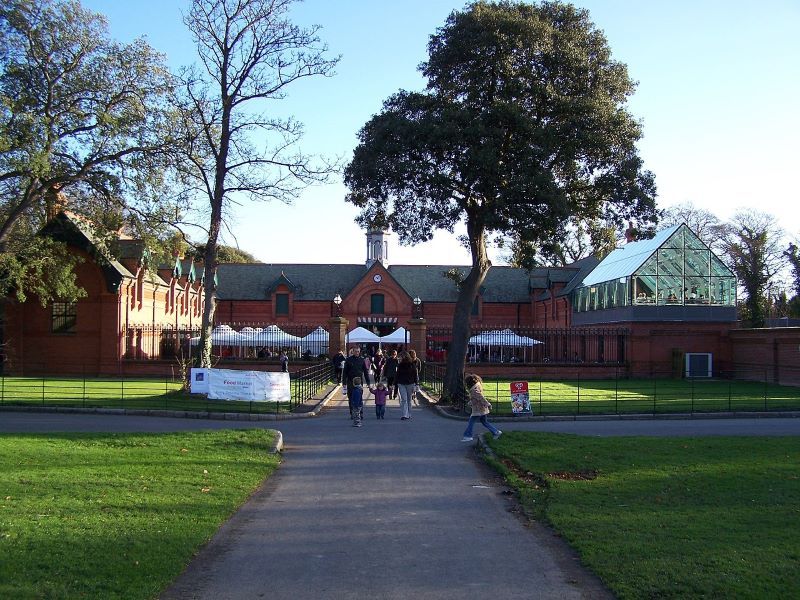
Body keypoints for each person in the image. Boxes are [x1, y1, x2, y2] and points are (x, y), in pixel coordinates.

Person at [462, 373, 502, 442]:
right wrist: (470, 403)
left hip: (478, 409)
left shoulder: (474, 390)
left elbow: (480, 397)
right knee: (484, 422)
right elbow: (476, 399)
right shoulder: (478, 386)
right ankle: (496, 432)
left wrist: (488, 404)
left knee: (471, 422)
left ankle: (468, 436)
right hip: (482, 409)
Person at [343, 347, 369, 419]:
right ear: (353, 352)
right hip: (350, 381)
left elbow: (365, 372)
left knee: (359, 398)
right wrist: (344, 383)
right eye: (355, 351)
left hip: (359, 381)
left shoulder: (362, 360)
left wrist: (368, 382)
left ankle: (360, 413)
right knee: (351, 398)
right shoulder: (348, 360)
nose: (357, 353)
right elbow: (344, 372)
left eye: (358, 351)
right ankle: (352, 413)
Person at [395, 351, 419, 420]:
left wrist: (416, 383)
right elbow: (397, 375)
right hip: (401, 383)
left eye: (400, 357)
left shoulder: (412, 364)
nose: (399, 358)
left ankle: (409, 413)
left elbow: (415, 374)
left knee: (409, 400)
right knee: (404, 399)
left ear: (405, 357)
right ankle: (405, 414)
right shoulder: (400, 365)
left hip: (410, 384)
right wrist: (394, 384)